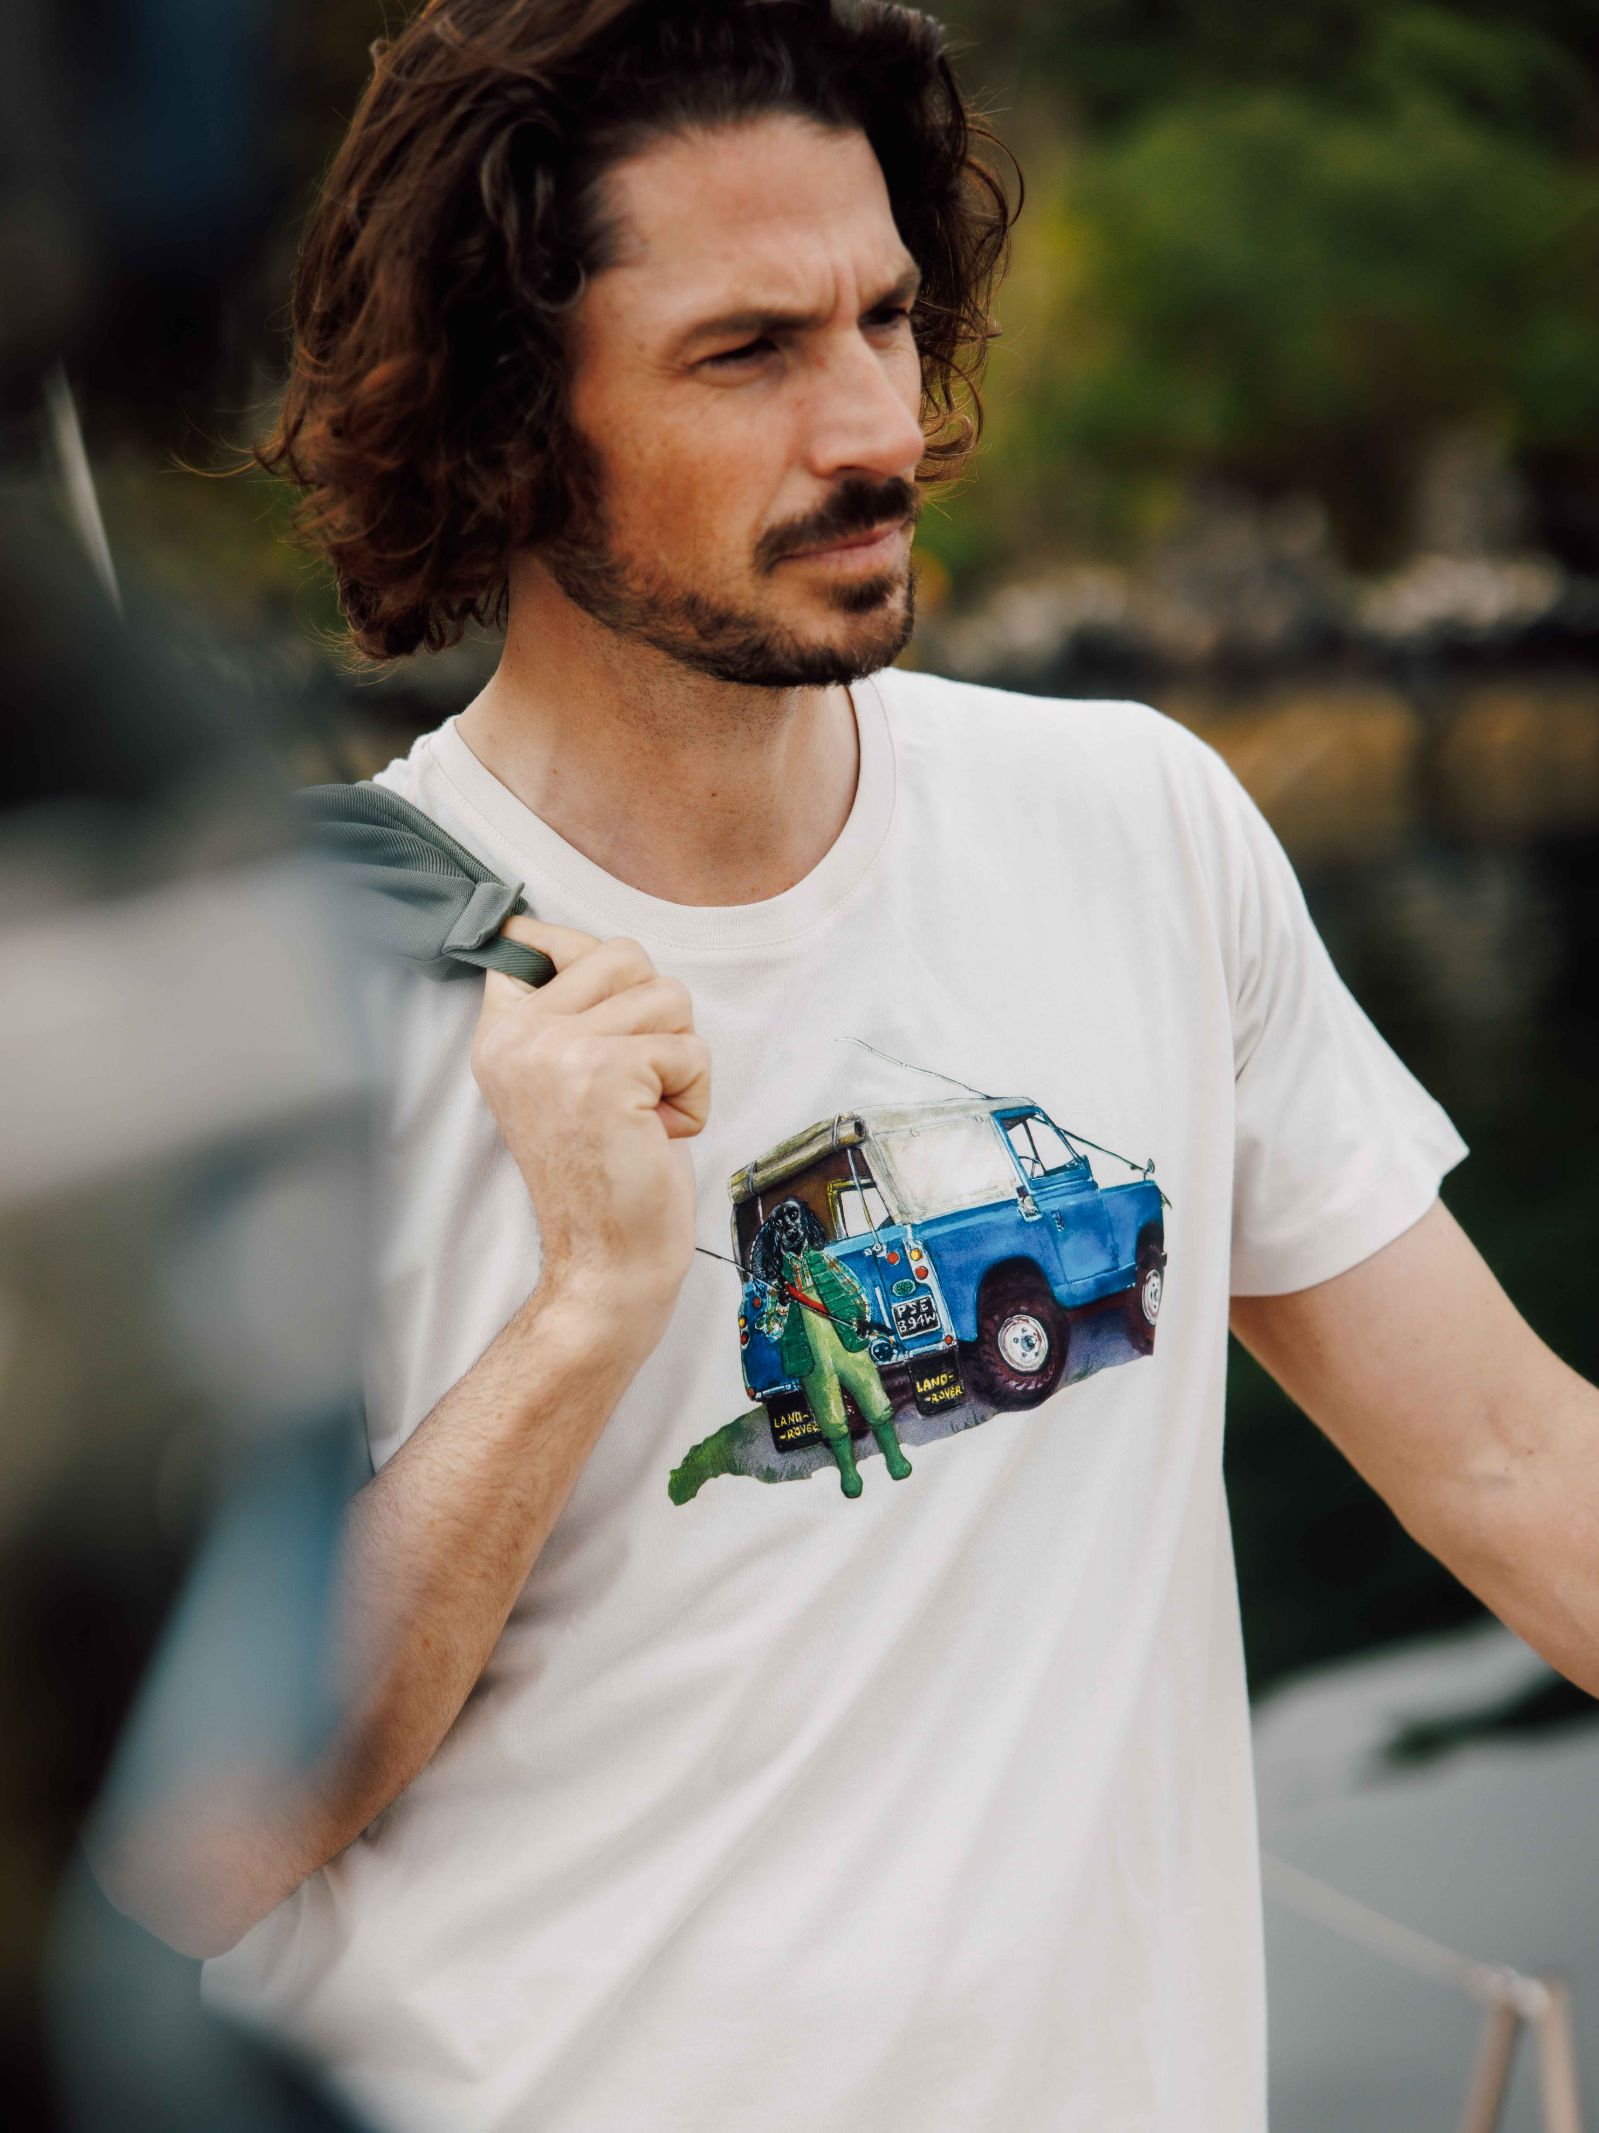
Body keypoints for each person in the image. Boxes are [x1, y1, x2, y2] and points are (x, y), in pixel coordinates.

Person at [90, 4, 1599, 2130]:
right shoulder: (289, 1001)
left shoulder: (1136, 827)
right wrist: (583, 1314)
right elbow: (179, 1857)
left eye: (885, 318)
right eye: (748, 353)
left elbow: (1515, 1465)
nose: (878, 423)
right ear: (511, 419)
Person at [750, 1197, 911, 1494]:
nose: (789, 1227)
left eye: (793, 1216)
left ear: (804, 1220)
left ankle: (895, 1458)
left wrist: (862, 1320)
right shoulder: (777, 1285)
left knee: (874, 1399)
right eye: (780, 1224)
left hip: (848, 1344)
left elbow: (857, 1293)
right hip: (810, 1359)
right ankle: (848, 1474)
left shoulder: (825, 1261)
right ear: (774, 1235)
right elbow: (771, 1331)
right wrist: (782, 1304)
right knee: (830, 1417)